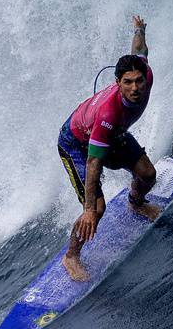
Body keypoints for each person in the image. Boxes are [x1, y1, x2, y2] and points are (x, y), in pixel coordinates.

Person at [57, 15, 161, 281]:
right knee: (97, 209)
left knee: (147, 175)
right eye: (128, 82)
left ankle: (136, 203)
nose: (135, 87)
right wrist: (90, 209)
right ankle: (71, 256)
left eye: (138, 80)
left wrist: (139, 29)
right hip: (76, 144)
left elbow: (139, 50)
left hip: (114, 136)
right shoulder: (108, 114)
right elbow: (93, 164)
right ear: (118, 83)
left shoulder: (145, 74)